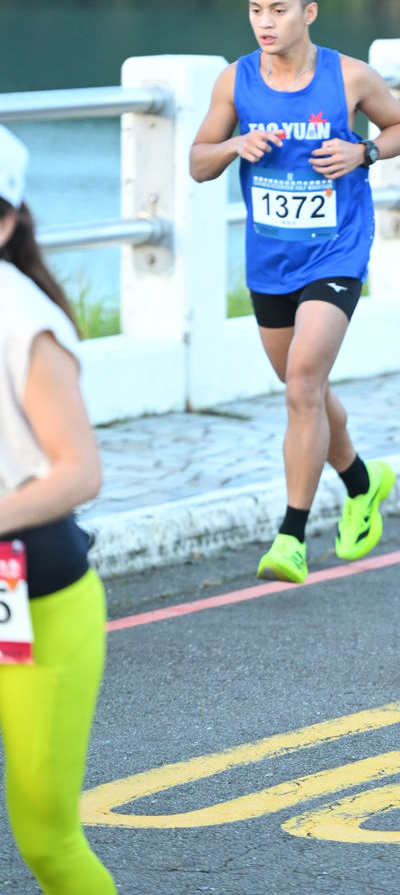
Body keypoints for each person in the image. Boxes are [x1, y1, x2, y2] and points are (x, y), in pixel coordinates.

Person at [190, 0, 400, 583]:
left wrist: (364, 153)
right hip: (270, 262)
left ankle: (291, 537)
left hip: (336, 252)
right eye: (255, 9)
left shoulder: (348, 77)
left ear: (308, 13)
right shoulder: (236, 80)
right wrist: (234, 144)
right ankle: (363, 482)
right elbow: (198, 163)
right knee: (304, 391)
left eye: (279, 10)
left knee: (302, 385)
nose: (265, 22)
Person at [0, 125, 117, 895]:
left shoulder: (23, 321)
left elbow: (79, 473)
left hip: (32, 597)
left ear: (7, 221)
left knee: (46, 838)